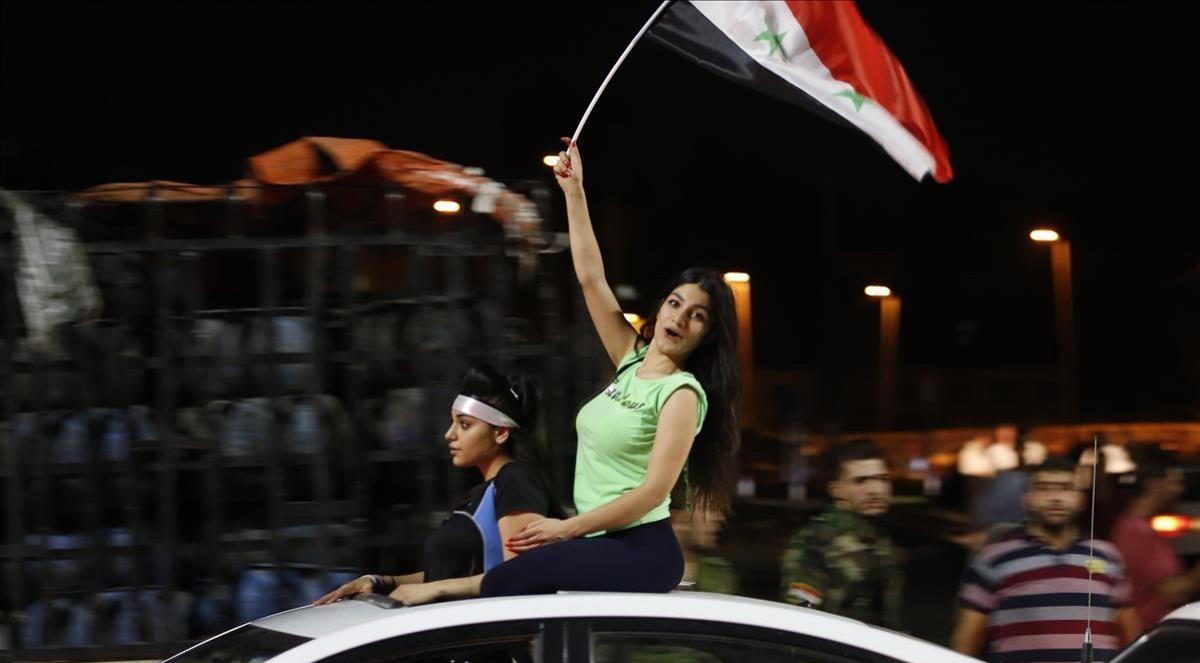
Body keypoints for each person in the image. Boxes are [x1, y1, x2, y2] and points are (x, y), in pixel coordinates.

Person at [478, 139, 740, 597]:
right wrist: (574, 192)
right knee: (509, 581)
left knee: (509, 583)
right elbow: (590, 278)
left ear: (707, 333)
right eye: (675, 303)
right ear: (659, 308)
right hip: (602, 540)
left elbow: (652, 494)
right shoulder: (632, 359)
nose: (679, 318)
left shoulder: (681, 394)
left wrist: (566, 529)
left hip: (640, 548)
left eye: (696, 315)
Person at [313, 363, 563, 607]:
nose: (449, 434)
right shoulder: (480, 493)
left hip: (491, 644)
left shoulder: (516, 478)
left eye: (464, 424)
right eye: (452, 422)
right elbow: (449, 574)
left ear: (500, 433)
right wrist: (380, 581)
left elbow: (520, 575)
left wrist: (435, 589)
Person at [952, 457, 1140, 663]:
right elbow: (965, 646)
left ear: (1081, 499)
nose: (1055, 498)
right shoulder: (994, 558)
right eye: (1043, 488)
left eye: (1066, 488)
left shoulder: (1107, 556)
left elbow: (1131, 638)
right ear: (1026, 499)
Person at [778, 440, 902, 630]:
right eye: (861, 481)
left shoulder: (878, 537)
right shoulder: (817, 540)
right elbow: (799, 618)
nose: (876, 490)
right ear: (836, 490)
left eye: (882, 479)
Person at [1110, 448, 1200, 627]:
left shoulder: (1140, 527)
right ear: (1155, 485)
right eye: (1175, 483)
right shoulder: (1137, 532)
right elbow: (1175, 592)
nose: (1179, 490)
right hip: (1146, 636)